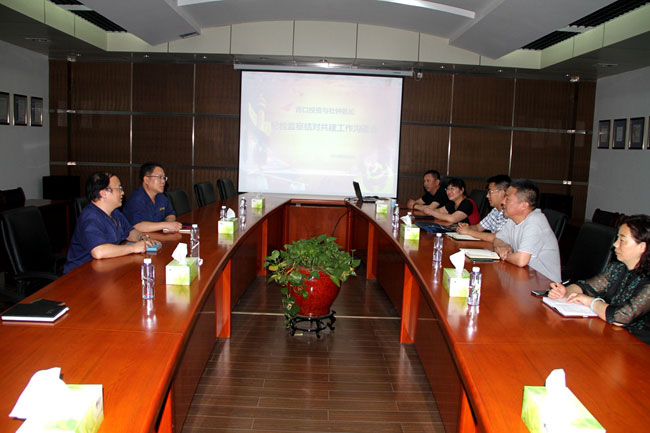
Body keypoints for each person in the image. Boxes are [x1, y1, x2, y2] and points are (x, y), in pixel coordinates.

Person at [549, 215, 650, 344]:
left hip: (638, 346)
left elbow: (621, 317)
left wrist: (591, 302)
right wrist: (565, 292)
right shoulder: (617, 268)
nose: (615, 244)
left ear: (642, 247)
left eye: (622, 240)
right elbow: (585, 287)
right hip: (612, 335)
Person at [64, 172, 158, 273]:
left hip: (106, 267)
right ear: (103, 193)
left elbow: (130, 232)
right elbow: (99, 252)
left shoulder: (114, 212)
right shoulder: (90, 218)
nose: (122, 192)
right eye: (119, 188)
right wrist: (133, 248)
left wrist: (142, 238)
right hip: (81, 273)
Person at [493, 179, 560, 281]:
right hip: (525, 277)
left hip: (547, 285)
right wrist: (502, 246)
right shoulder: (513, 219)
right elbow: (497, 239)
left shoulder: (535, 221)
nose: (502, 202)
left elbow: (521, 260)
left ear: (524, 205)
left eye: (508, 199)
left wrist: (502, 254)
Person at [123, 162, 182, 233]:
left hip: (157, 235)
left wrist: (170, 223)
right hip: (141, 238)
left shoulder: (161, 197)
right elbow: (137, 226)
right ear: (146, 180)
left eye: (164, 178)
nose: (163, 181)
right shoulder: (136, 199)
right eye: (159, 177)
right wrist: (165, 225)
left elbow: (170, 213)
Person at [456, 174, 510, 242]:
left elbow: (496, 237)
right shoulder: (495, 211)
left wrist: (469, 231)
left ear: (502, 193)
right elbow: (478, 227)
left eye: (490, 192)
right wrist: (466, 227)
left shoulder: (509, 213)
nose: (487, 196)